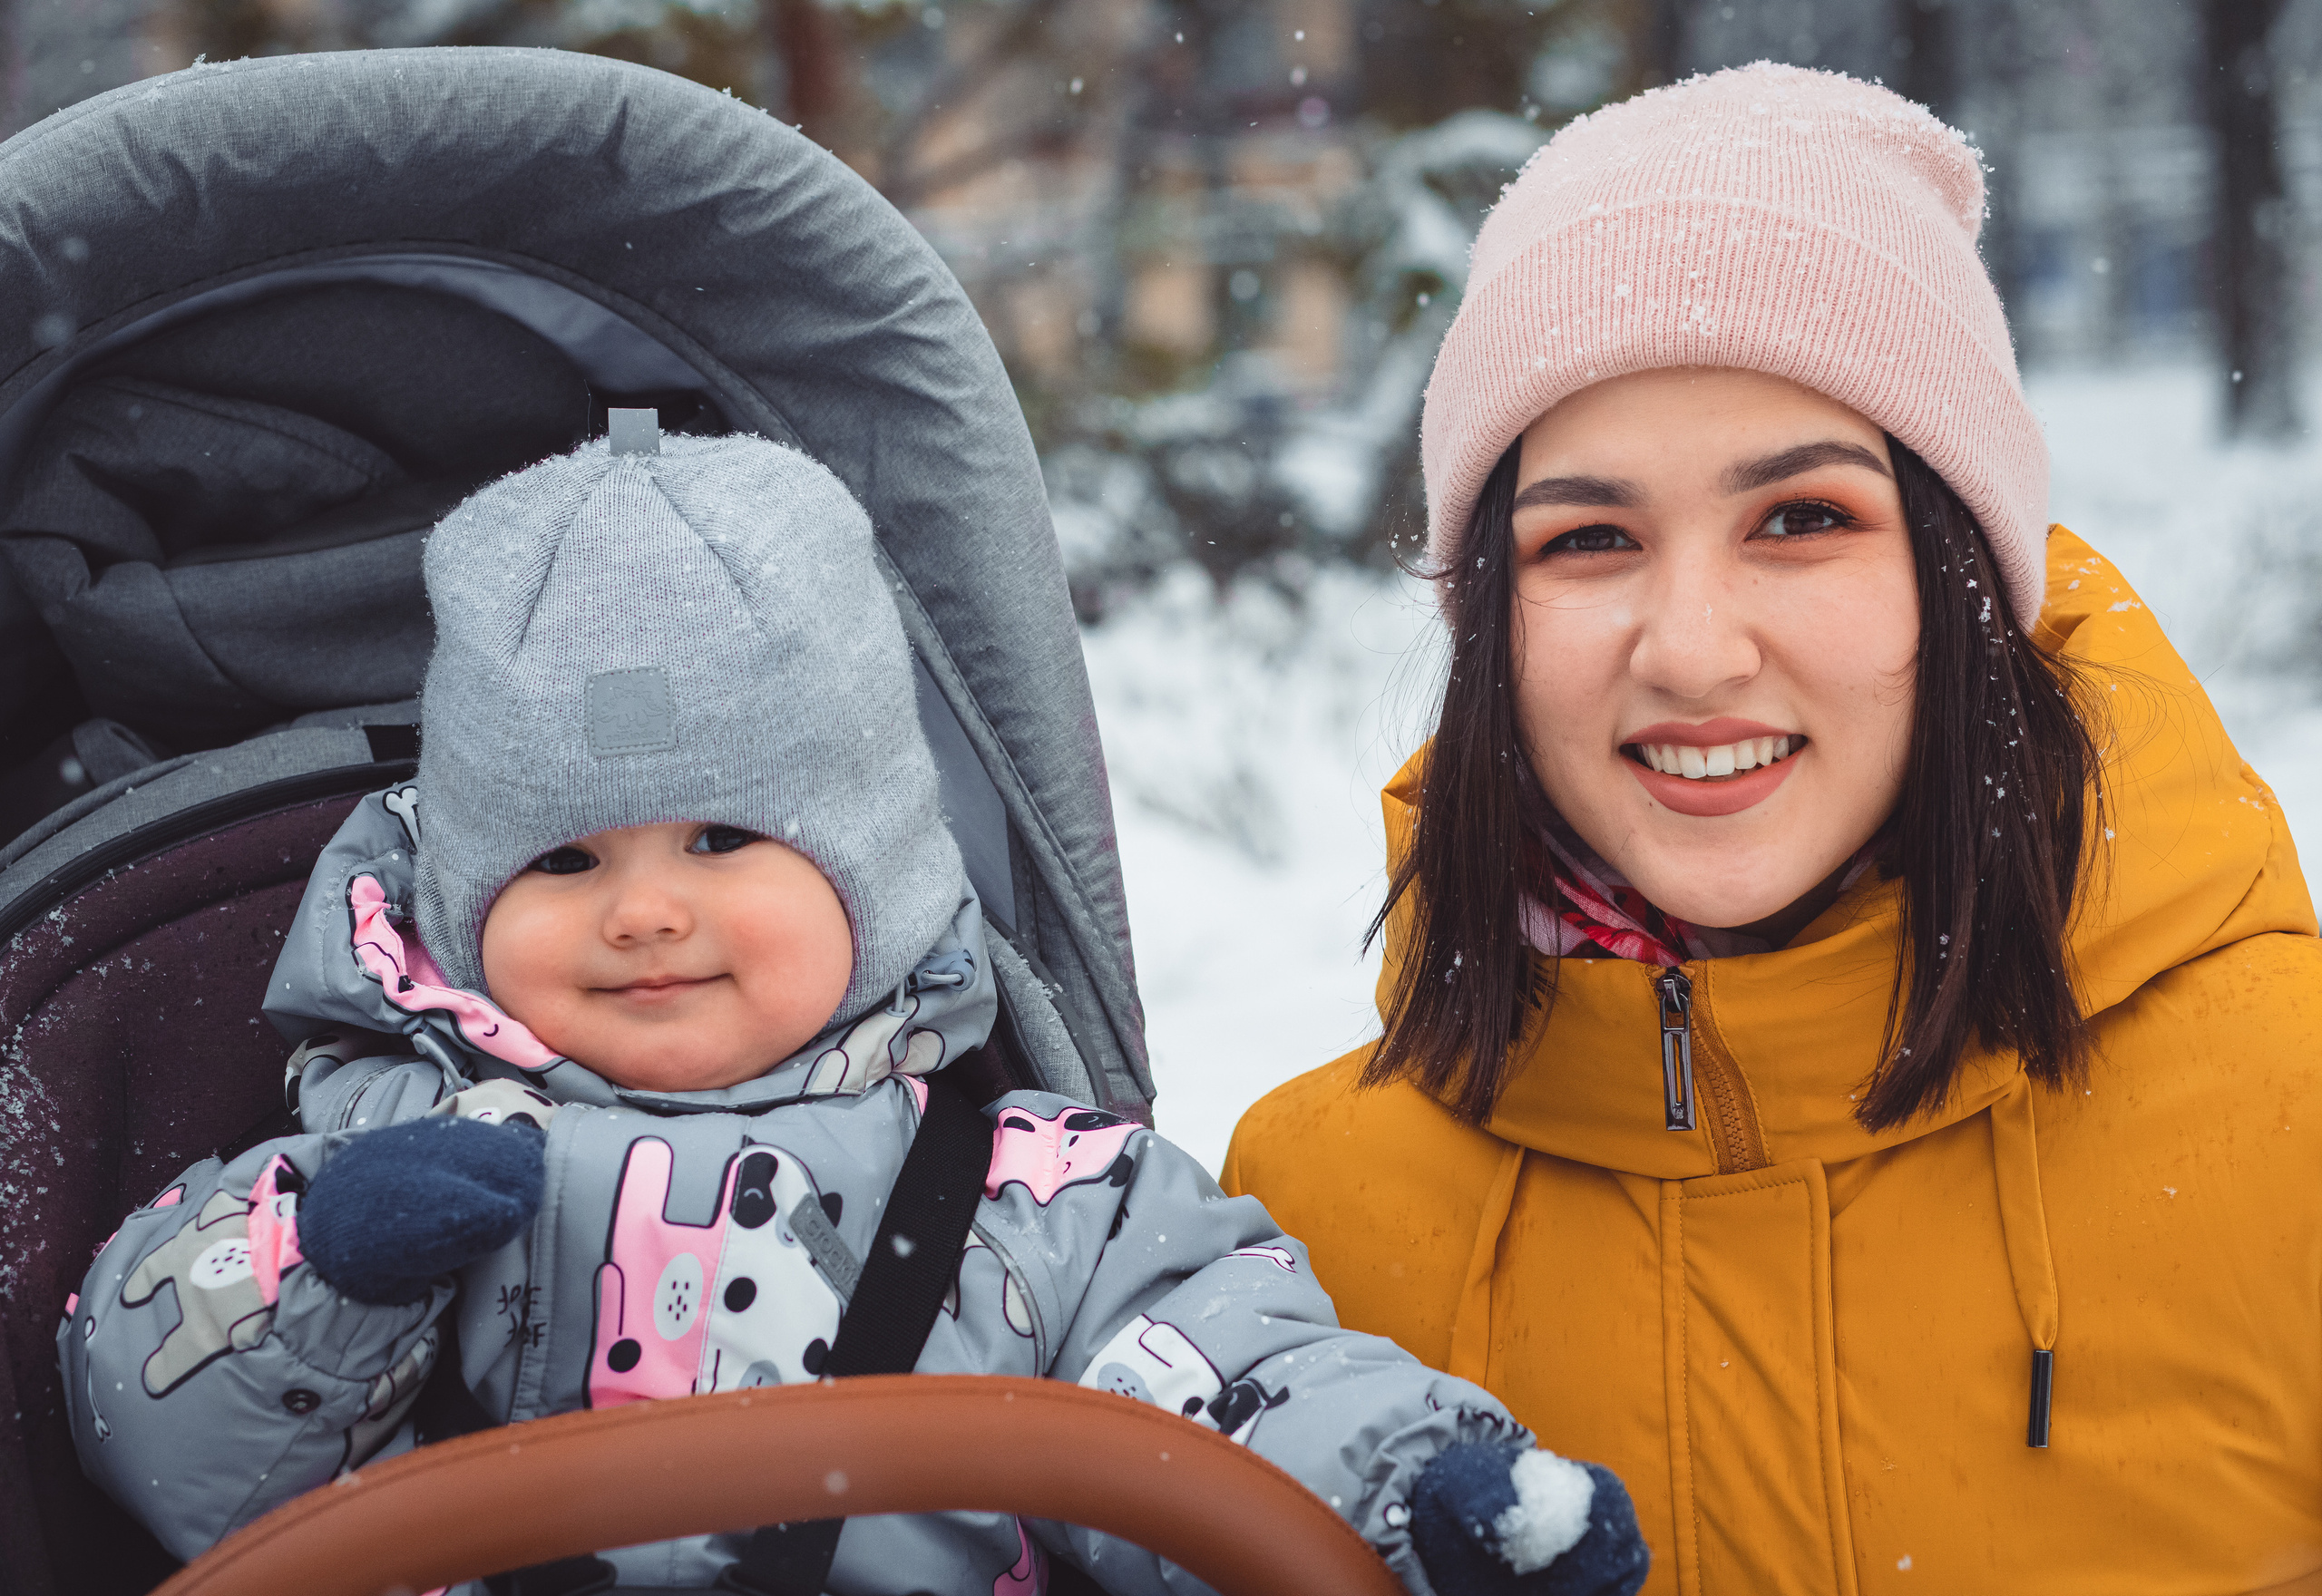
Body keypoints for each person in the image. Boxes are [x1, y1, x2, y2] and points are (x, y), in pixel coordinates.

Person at [59, 431, 1649, 1596]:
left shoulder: (1046, 1203)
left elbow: (1231, 1381)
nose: (645, 908)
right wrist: (326, 1277)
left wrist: (1404, 1491)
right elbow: (163, 1437)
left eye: (723, 839)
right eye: (561, 858)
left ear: (877, 876)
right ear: (460, 907)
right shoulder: (380, 1150)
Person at [1224, 62, 2322, 1595]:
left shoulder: (2295, 1117)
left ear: (1962, 575)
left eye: (1801, 518)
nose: (1689, 646)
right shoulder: (1308, 1222)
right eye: (1589, 538)